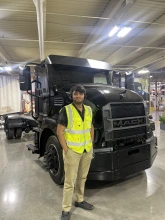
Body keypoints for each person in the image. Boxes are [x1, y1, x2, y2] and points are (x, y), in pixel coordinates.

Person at [57, 85, 94, 220]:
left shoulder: (89, 109)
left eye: (80, 94)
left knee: (82, 178)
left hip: (86, 149)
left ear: (84, 95)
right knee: (69, 181)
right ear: (72, 95)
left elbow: (91, 127)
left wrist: (91, 144)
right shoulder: (66, 110)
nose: (78, 96)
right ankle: (65, 209)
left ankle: (79, 200)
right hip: (72, 151)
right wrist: (66, 150)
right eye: (75, 94)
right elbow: (59, 132)